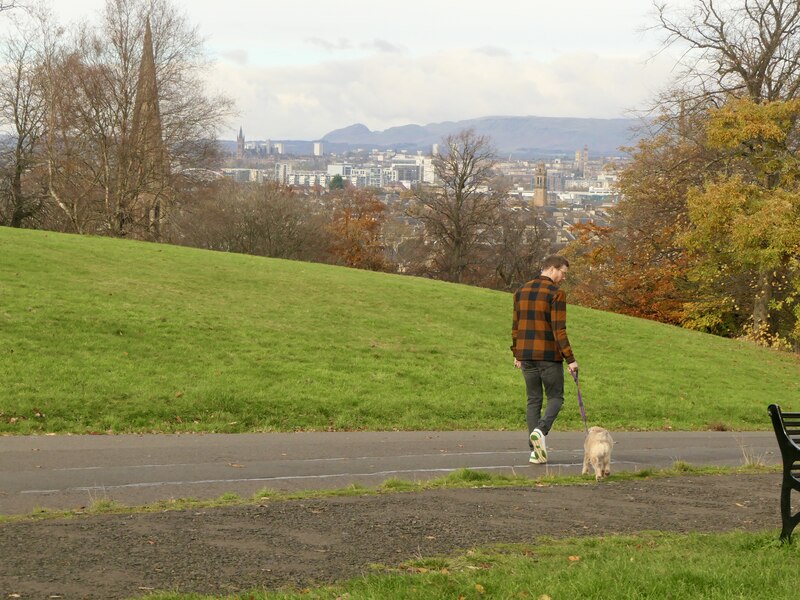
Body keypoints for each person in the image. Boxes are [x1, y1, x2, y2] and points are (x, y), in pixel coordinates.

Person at [511, 255, 578, 464]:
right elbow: (559, 330)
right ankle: (541, 430)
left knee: (533, 400)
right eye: (563, 273)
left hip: (526, 355)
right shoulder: (556, 294)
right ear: (552, 268)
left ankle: (535, 452)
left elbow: (516, 326)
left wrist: (516, 353)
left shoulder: (520, 291)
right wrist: (571, 359)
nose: (563, 278)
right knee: (556, 397)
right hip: (548, 355)